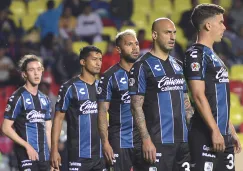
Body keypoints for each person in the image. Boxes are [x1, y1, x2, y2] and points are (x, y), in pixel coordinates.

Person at [128, 18, 193, 171]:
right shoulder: (141, 66)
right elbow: (136, 107)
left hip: (183, 143)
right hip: (157, 143)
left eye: (174, 33)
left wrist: (196, 133)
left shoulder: (178, 65)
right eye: (167, 32)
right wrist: (146, 140)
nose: (172, 37)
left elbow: (186, 104)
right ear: (155, 35)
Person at [183, 4, 242, 171]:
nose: (224, 26)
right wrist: (215, 131)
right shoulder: (196, 54)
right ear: (208, 25)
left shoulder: (215, 56)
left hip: (223, 135)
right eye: (221, 22)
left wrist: (230, 131)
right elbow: (198, 95)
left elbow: (220, 100)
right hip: (206, 134)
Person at [50, 46, 106, 171]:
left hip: (101, 155)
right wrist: (54, 150)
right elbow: (58, 119)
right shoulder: (69, 87)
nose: (98, 63)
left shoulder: (103, 86)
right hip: (78, 156)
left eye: (100, 59)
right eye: (94, 59)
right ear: (83, 62)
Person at [97, 29, 140, 171]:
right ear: (118, 49)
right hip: (120, 141)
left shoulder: (146, 73)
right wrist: (105, 143)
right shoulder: (109, 76)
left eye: (136, 44)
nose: (135, 48)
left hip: (144, 141)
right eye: (129, 44)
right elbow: (102, 113)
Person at [1, 55, 52, 171]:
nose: (36, 73)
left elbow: (48, 130)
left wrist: (52, 153)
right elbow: (5, 128)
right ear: (24, 74)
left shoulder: (45, 99)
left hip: (45, 157)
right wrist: (27, 146)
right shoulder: (18, 97)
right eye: (31, 70)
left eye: (39, 69)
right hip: (27, 157)